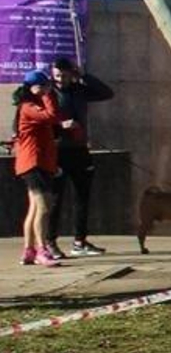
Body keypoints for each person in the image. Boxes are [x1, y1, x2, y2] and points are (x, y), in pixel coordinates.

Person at [45, 57, 113, 258]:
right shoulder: (49, 93)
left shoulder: (79, 89)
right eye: (57, 75)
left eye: (64, 75)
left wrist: (83, 76)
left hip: (79, 149)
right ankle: (50, 241)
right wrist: (60, 126)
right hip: (57, 151)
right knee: (56, 198)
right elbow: (42, 120)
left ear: (71, 73)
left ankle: (79, 241)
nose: (60, 79)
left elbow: (106, 93)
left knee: (83, 196)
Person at [10, 70, 70, 267]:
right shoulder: (28, 107)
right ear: (33, 88)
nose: (47, 89)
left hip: (40, 162)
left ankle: (28, 250)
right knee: (44, 207)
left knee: (34, 208)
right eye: (43, 86)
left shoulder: (31, 105)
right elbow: (52, 116)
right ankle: (41, 250)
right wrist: (46, 95)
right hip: (33, 162)